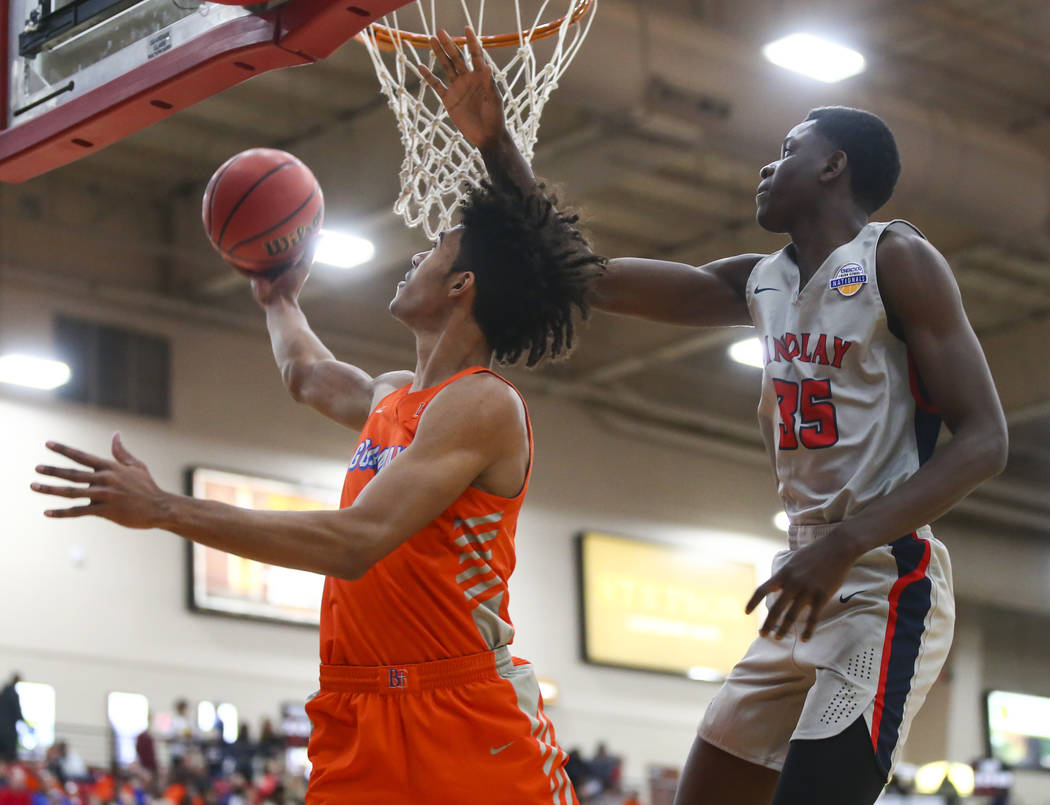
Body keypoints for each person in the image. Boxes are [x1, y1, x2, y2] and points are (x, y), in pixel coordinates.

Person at [420, 27, 1009, 805]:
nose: (768, 165)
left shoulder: (896, 257)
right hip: (801, 576)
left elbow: (985, 441)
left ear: (834, 166)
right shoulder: (758, 281)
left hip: (882, 576)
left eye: (790, 148)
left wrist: (845, 543)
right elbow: (585, 276)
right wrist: (497, 144)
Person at [31, 59, 605, 800]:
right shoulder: (398, 396)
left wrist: (167, 509)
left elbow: (354, 541)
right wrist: (278, 301)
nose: (416, 256)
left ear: (462, 286)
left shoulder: (483, 403)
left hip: (463, 715)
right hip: (358, 707)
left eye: (435, 250)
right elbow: (307, 374)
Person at [0, 675, 25, 764]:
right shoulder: (13, 694)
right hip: (9, 732)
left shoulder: (3, 692)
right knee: (9, 758)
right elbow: (17, 712)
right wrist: (24, 722)